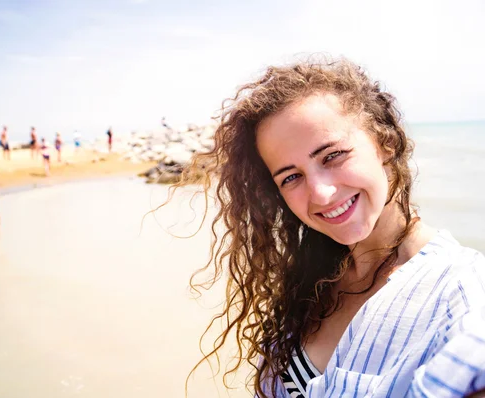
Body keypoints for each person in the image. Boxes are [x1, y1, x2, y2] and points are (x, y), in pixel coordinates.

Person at [179, 58, 485, 397]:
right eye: (291, 177)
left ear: (386, 143)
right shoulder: (314, 278)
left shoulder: (461, 291)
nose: (321, 194)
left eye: (333, 156)